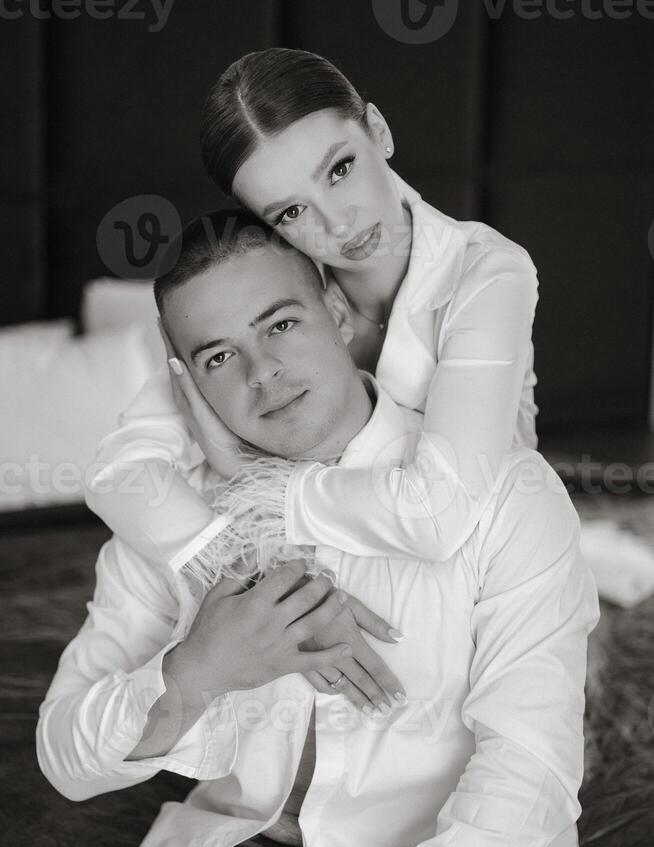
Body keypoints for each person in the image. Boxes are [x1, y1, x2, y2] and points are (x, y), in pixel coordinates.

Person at [39, 211, 600, 847]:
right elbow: (64, 754)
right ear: (185, 382)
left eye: (280, 323)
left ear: (337, 312)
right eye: (218, 355)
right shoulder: (167, 515)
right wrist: (200, 672)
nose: (261, 373)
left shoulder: (500, 494)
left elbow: (528, 762)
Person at [85, 48, 540, 630]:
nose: (336, 224)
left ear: (378, 130)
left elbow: (441, 515)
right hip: (321, 564)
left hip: (483, 564)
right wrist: (244, 567)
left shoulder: (488, 272)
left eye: (340, 169)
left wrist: (254, 480)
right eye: (291, 211)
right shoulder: (270, 294)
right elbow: (118, 472)